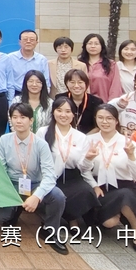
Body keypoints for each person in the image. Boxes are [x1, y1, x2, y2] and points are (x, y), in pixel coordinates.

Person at [0, 103, 68, 255]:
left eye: (23, 117)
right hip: (12, 185)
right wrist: (5, 192)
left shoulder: (41, 144)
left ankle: (50, 230)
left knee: (57, 196)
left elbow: (50, 176)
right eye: (14, 117)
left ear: (31, 120)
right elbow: (0, 169)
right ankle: (14, 209)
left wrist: (37, 196)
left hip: (34, 185)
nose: (18, 121)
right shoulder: (4, 140)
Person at [79, 104, 136, 254]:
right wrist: (93, 181)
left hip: (124, 186)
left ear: (116, 120)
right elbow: (83, 170)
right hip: (98, 188)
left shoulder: (128, 143)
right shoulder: (88, 140)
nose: (105, 122)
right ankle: (117, 212)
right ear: (96, 119)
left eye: (109, 118)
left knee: (125, 195)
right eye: (101, 118)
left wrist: (131, 156)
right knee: (109, 223)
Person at [37, 96, 98, 228]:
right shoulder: (43, 132)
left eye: (68, 111)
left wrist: (88, 158)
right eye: (59, 110)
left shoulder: (81, 137)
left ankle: (72, 217)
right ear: (53, 112)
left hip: (72, 176)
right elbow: (37, 158)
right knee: (52, 193)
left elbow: (83, 167)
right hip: (48, 175)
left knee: (86, 191)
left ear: (73, 114)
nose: (63, 115)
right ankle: (62, 219)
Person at [78, 33, 122, 102]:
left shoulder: (111, 64)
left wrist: (111, 104)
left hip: (104, 104)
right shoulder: (79, 64)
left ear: (102, 46)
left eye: (96, 44)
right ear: (85, 46)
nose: (93, 46)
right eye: (90, 43)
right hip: (83, 104)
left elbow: (115, 87)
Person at [8, 30, 51, 99]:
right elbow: (8, 81)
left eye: (32, 40)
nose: (28, 41)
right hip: (16, 93)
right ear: (20, 42)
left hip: (36, 95)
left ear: (36, 42)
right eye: (25, 39)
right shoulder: (10, 58)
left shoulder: (42, 59)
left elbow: (46, 81)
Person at [63, 69, 104, 134]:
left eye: (80, 82)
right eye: (72, 82)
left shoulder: (96, 102)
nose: (76, 86)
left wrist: (84, 138)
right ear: (66, 84)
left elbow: (99, 125)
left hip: (89, 137)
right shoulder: (60, 99)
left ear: (86, 84)